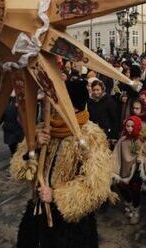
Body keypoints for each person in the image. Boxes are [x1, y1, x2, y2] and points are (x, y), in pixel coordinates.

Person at [11, 77, 116, 247]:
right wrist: (33, 146)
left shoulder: (91, 136)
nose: (53, 107)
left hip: (70, 222)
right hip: (38, 212)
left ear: (73, 106)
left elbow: (96, 187)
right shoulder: (44, 128)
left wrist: (56, 196)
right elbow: (19, 170)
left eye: (58, 102)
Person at [112, 115, 146, 225]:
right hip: (124, 169)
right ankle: (128, 202)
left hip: (136, 170)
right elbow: (116, 154)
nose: (129, 128)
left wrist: (142, 159)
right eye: (127, 126)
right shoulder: (123, 140)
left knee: (135, 189)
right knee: (121, 186)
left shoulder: (142, 140)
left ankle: (136, 210)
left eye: (132, 126)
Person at [88, 80, 120, 148]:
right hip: (93, 132)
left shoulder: (109, 100)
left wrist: (113, 136)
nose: (96, 92)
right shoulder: (90, 101)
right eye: (94, 90)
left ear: (102, 89)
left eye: (98, 90)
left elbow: (114, 119)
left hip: (106, 132)